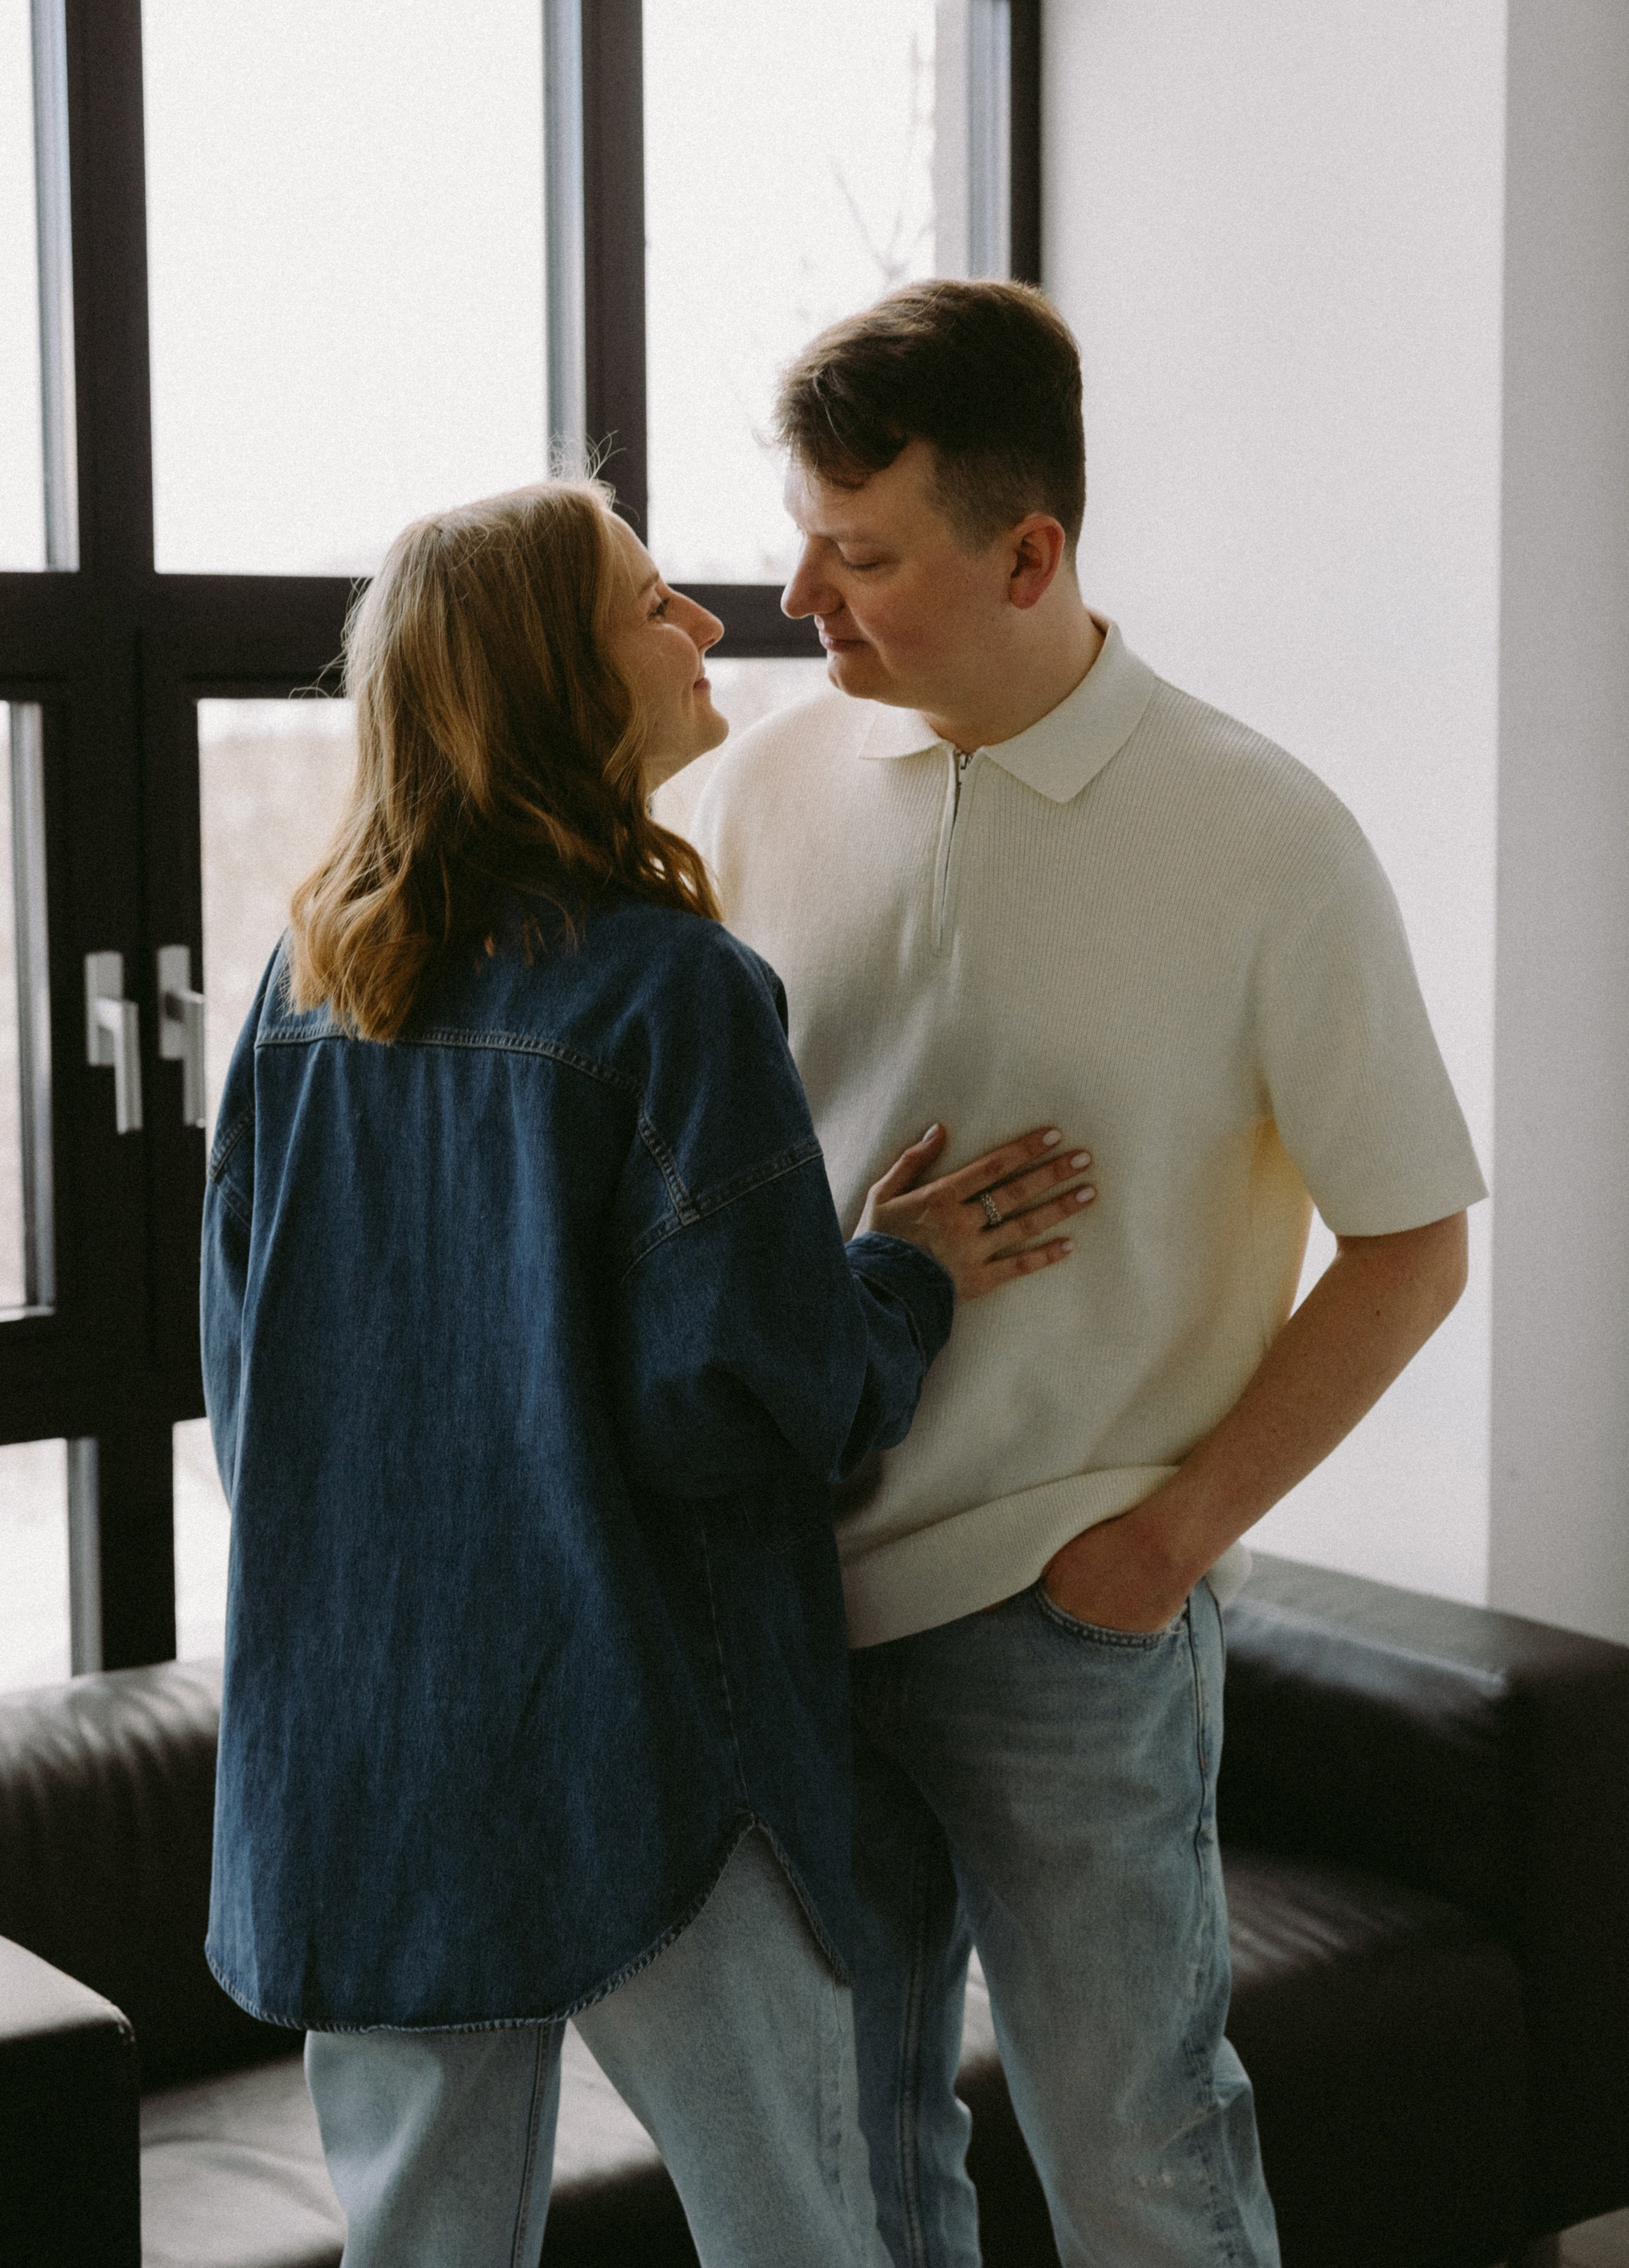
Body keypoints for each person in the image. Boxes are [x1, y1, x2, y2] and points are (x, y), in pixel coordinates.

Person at [199, 477, 1097, 2268]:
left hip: (366, 1762)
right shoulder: (670, 993)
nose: (705, 626)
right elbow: (748, 1410)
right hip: (652, 1741)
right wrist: (901, 1280)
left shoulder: (306, 992)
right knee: (803, 2233)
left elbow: (249, 1381)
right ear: (550, 676)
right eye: (647, 605)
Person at [690, 279, 1488, 2268]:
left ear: (1031, 552)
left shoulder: (1267, 836)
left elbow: (1412, 1241)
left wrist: (1178, 1533)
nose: (805, 595)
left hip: (1071, 1611)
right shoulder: (748, 794)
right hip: (785, 1599)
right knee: (852, 2161)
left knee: (1140, 2161)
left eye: (864, 553)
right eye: (804, 533)